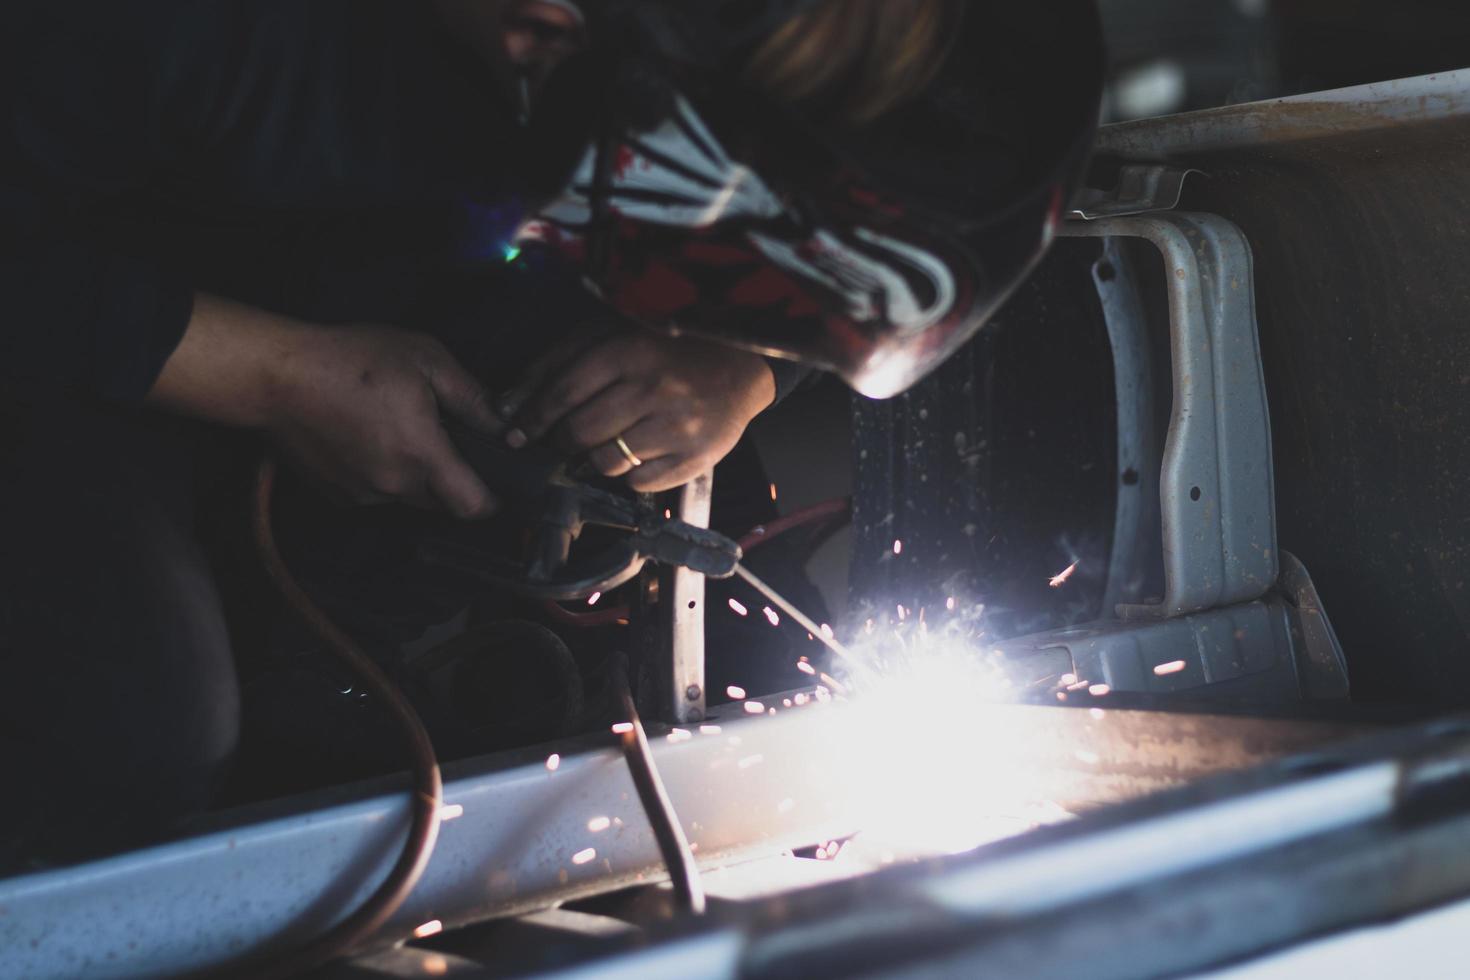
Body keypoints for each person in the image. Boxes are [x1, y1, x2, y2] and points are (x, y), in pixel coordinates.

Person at [0, 0, 1101, 866]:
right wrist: (274, 374)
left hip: (385, 255)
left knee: (741, 660)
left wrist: (741, 366)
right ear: (540, 32)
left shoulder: (662, 58)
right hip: (69, 313)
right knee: (129, 731)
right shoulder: (170, 28)